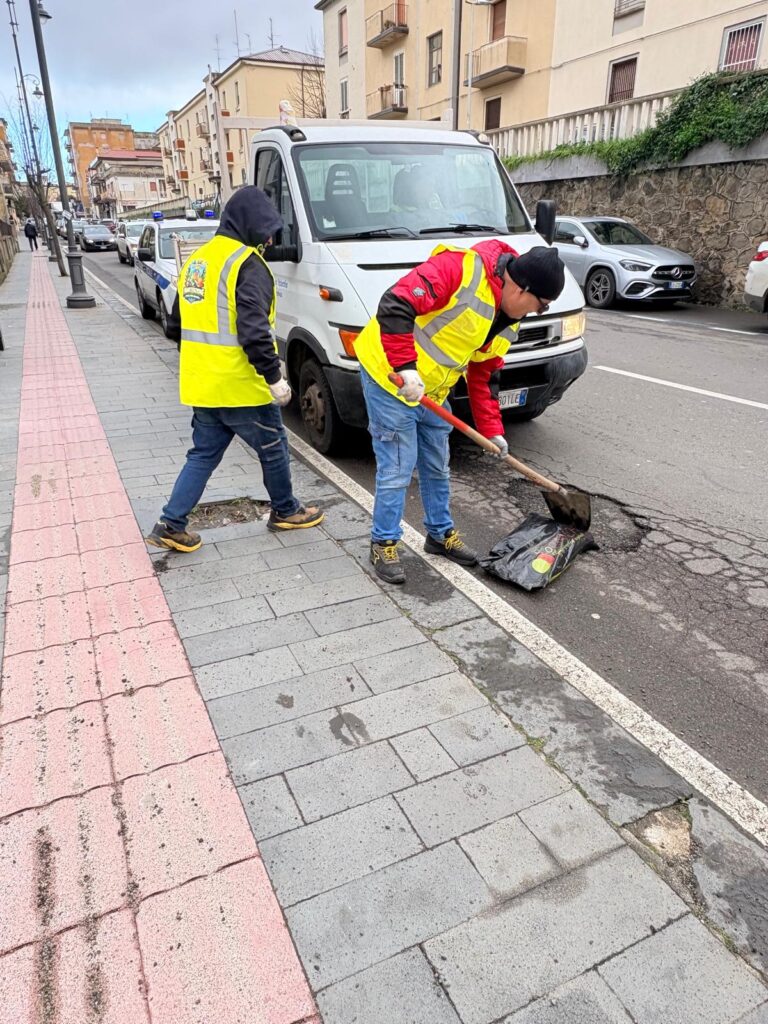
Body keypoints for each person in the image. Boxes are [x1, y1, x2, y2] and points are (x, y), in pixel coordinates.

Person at [355, 242, 566, 584]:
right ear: (521, 287)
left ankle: (439, 535)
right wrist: (406, 368)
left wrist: (492, 431)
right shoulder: (460, 270)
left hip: (433, 391)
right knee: (397, 466)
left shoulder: (509, 322)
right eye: (540, 305)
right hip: (389, 376)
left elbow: (484, 376)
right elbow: (395, 303)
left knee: (437, 465)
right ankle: (383, 542)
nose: (536, 313)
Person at [146, 186, 323, 553]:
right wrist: (274, 378)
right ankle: (286, 510)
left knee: (203, 454)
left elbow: (177, 324)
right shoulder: (247, 264)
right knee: (273, 447)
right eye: (267, 227)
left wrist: (200, 366)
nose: (271, 236)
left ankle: (171, 523)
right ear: (249, 224)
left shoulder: (199, 260)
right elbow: (254, 331)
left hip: (202, 384)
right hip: (241, 384)